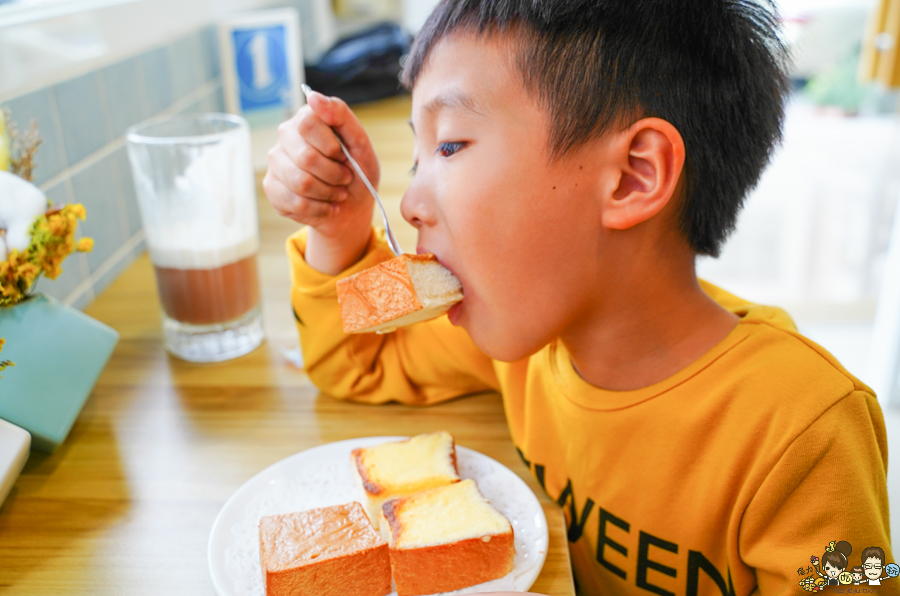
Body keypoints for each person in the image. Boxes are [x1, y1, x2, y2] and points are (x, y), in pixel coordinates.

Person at [263, 0, 894, 594]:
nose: (408, 204)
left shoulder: (804, 435)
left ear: (632, 177)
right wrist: (341, 230)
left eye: (450, 145)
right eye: (417, 159)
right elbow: (356, 363)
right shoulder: (520, 340)